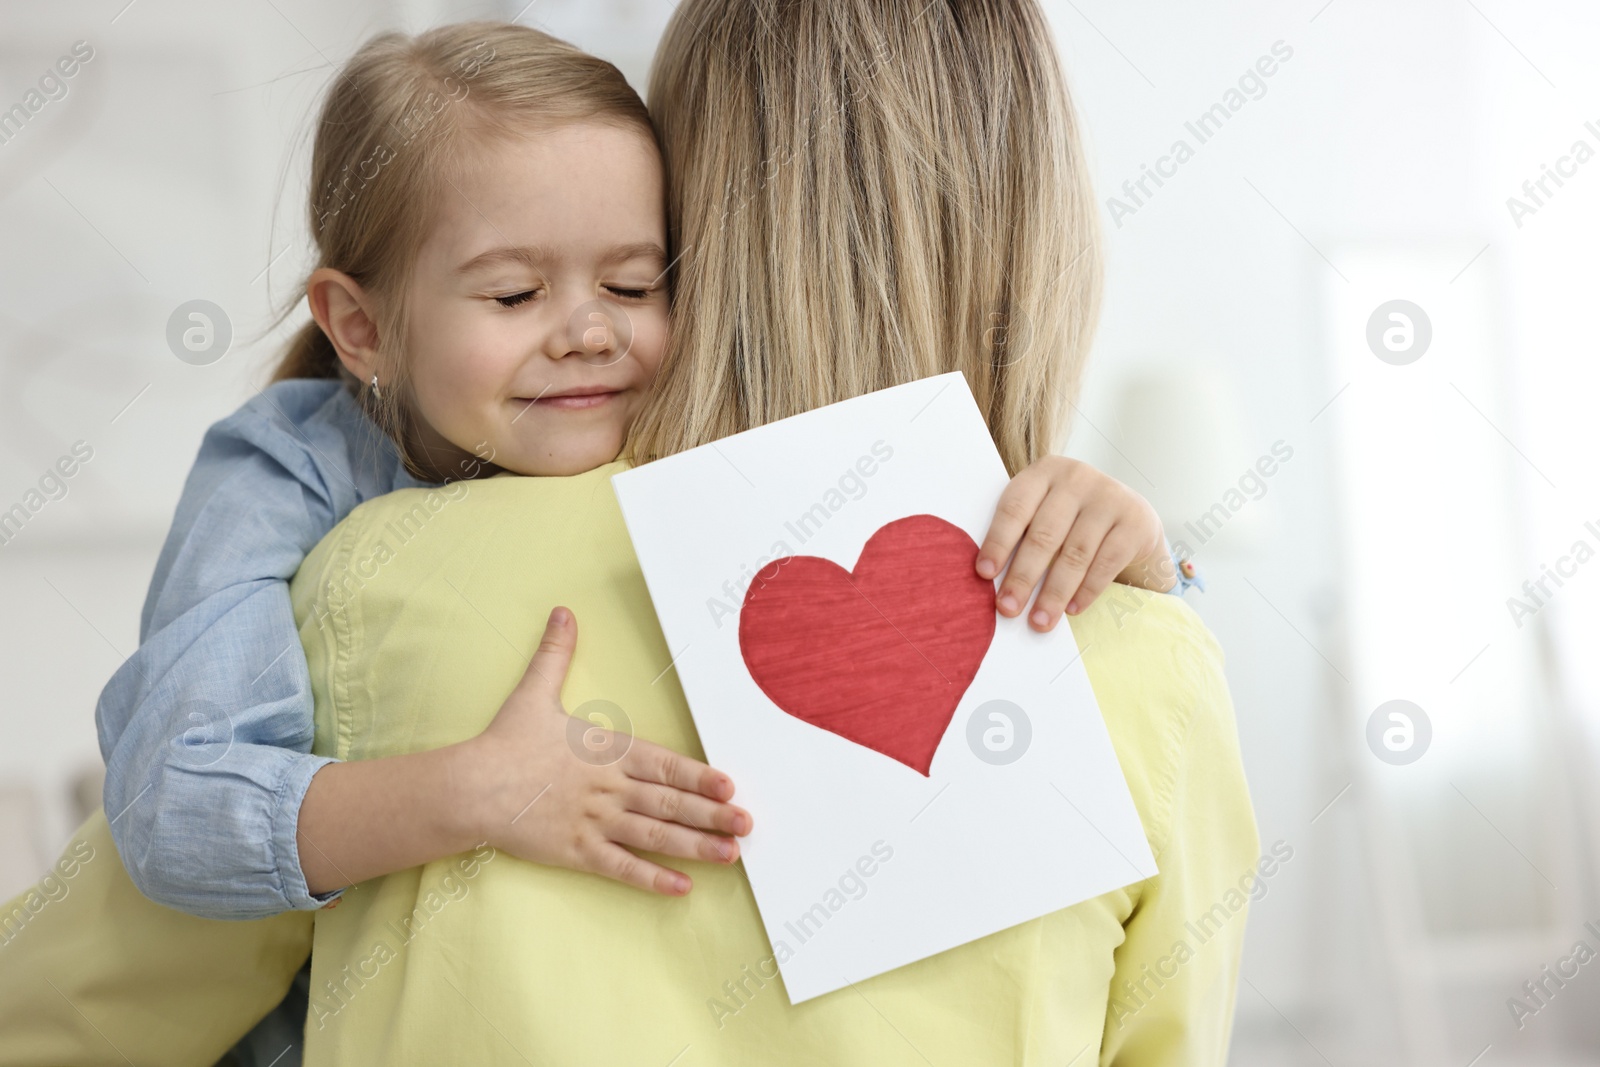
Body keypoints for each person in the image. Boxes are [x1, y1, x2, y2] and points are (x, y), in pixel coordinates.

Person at [0, 13, 1197, 1067]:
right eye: (515, 295)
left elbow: (66, 1010)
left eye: (634, 281)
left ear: (702, 231)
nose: (581, 333)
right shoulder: (1144, 649)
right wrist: (1151, 579)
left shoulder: (363, 588)